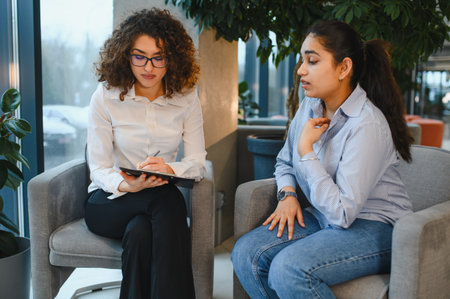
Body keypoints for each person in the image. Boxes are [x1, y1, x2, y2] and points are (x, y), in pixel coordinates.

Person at [231, 20, 414, 298]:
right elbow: (284, 162)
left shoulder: (366, 124)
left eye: (312, 61)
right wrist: (288, 194)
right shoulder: (310, 105)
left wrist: (306, 151)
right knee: (246, 253)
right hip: (323, 215)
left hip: (376, 227)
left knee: (289, 269)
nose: (301, 71)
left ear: (344, 68)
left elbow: (341, 214)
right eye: (301, 60)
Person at [84, 8, 205, 299]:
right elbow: (98, 169)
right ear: (125, 55)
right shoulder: (105, 96)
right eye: (139, 56)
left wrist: (169, 169)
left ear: (172, 59)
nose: (148, 66)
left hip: (152, 204)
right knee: (169, 199)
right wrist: (129, 184)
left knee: (140, 232)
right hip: (109, 202)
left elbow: (197, 163)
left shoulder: (186, 98)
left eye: (158, 57)